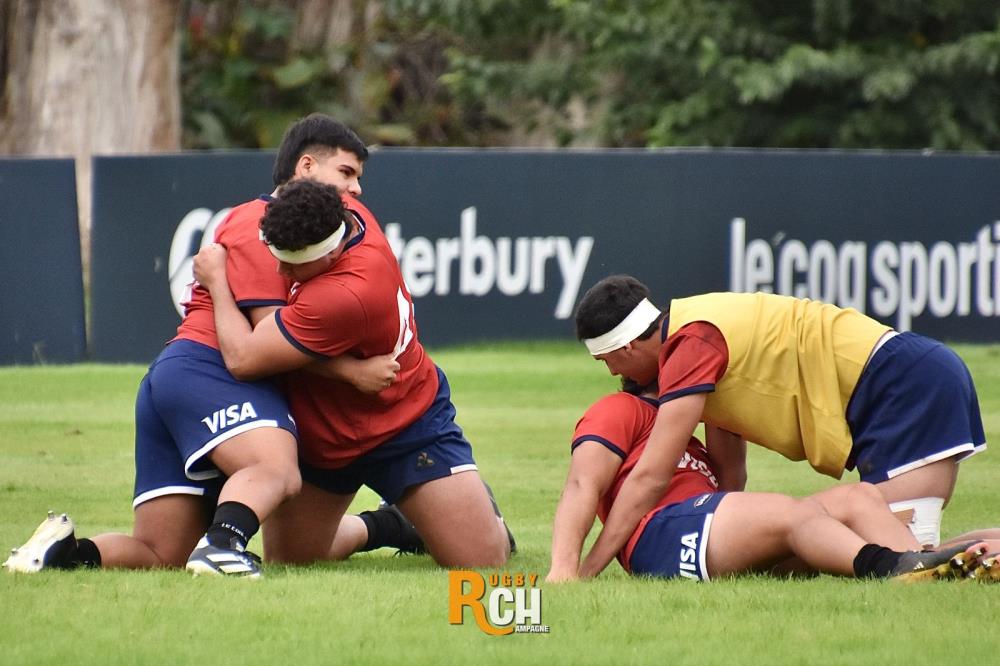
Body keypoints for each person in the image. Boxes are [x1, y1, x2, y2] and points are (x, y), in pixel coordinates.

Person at [3, 116, 413, 578]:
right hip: (210, 370)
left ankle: (61, 554)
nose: (356, 188)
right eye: (346, 173)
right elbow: (264, 345)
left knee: (160, 552)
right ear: (305, 167)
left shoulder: (302, 230)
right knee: (276, 469)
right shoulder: (263, 224)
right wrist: (351, 372)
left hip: (177, 379)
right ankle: (222, 546)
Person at [570, 274, 999, 578]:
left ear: (627, 347)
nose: (613, 374)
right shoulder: (697, 331)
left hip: (898, 382)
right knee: (900, 549)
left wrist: (588, 568)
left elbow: (651, 475)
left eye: (607, 360)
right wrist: (734, 537)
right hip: (908, 372)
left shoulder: (690, 346)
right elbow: (730, 478)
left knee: (906, 554)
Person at [193, 177, 510, 568]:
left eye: (292, 262)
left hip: (403, 423)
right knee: (291, 560)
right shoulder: (345, 212)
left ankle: (470, 507)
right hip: (324, 432)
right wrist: (351, 371)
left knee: (483, 560)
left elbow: (244, 358)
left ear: (330, 254)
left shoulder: (345, 294)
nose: (279, 269)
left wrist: (216, 282)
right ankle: (387, 525)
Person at [547, 382, 997, 583]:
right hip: (660, 536)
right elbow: (582, 485)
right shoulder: (620, 408)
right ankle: (892, 571)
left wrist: (720, 410)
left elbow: (731, 485)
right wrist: (566, 569)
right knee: (792, 514)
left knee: (858, 497)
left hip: (704, 528)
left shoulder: (690, 437)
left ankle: (931, 566)